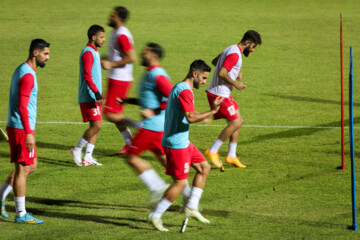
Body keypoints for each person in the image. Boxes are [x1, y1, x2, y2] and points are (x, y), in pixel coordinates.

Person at [148, 60, 224, 232]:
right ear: (194, 74)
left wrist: (203, 114)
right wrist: (211, 112)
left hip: (182, 141)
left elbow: (187, 113)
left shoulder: (181, 88)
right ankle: (156, 215)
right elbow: (189, 117)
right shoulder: (185, 91)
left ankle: (192, 207)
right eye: (203, 78)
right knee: (180, 184)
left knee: (204, 168)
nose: (205, 81)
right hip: (177, 145)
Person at [119, 43, 192, 207]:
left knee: (131, 157)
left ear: (153, 55)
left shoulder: (157, 75)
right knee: (170, 165)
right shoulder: (150, 74)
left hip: (153, 127)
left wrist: (153, 111)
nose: (142, 54)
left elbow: (173, 97)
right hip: (159, 127)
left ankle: (157, 185)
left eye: (145, 52)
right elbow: (149, 100)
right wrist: (128, 101)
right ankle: (189, 198)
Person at [4, 39, 50, 224]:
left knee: (31, 166)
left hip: (21, 127)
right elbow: (22, 106)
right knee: (22, 170)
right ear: (35, 53)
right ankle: (20, 214)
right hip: (22, 129)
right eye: (45, 54)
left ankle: (1, 197)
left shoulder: (22, 69)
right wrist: (29, 133)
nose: (47, 58)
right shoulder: (28, 75)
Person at [205, 30, 262, 170]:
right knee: (236, 122)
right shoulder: (235, 54)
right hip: (219, 94)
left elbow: (215, 61)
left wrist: (236, 70)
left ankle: (231, 155)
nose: (253, 50)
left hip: (221, 93)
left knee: (238, 122)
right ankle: (212, 150)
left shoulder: (231, 49)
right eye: (253, 46)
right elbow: (222, 73)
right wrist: (235, 84)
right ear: (247, 42)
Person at [101, 6, 137, 154]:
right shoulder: (116, 32)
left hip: (120, 79)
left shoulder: (122, 34)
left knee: (110, 114)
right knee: (113, 112)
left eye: (113, 16)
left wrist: (111, 64)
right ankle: (130, 143)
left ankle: (143, 127)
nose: (110, 17)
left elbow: (131, 57)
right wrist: (105, 59)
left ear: (120, 19)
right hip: (115, 77)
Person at [70, 25, 106, 167]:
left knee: (95, 125)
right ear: (93, 37)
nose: (104, 40)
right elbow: (87, 74)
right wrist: (96, 93)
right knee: (97, 125)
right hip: (89, 96)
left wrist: (99, 93)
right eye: (101, 37)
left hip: (95, 95)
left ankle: (88, 157)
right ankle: (77, 148)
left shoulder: (94, 52)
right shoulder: (88, 53)